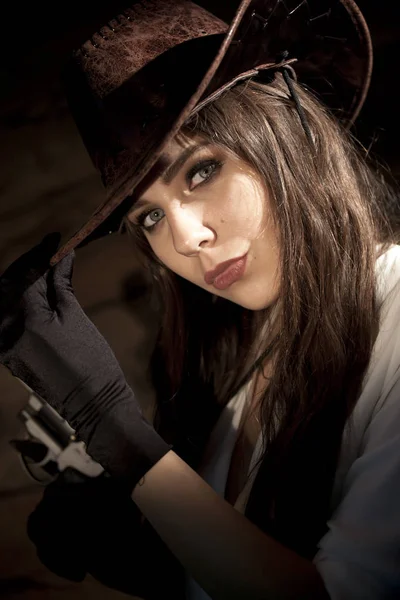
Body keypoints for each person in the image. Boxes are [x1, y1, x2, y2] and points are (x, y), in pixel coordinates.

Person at [1, 0, 400, 598]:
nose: (186, 240)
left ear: (290, 133)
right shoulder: (248, 364)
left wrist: (113, 427)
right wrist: (163, 560)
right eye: (151, 215)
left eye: (201, 170)